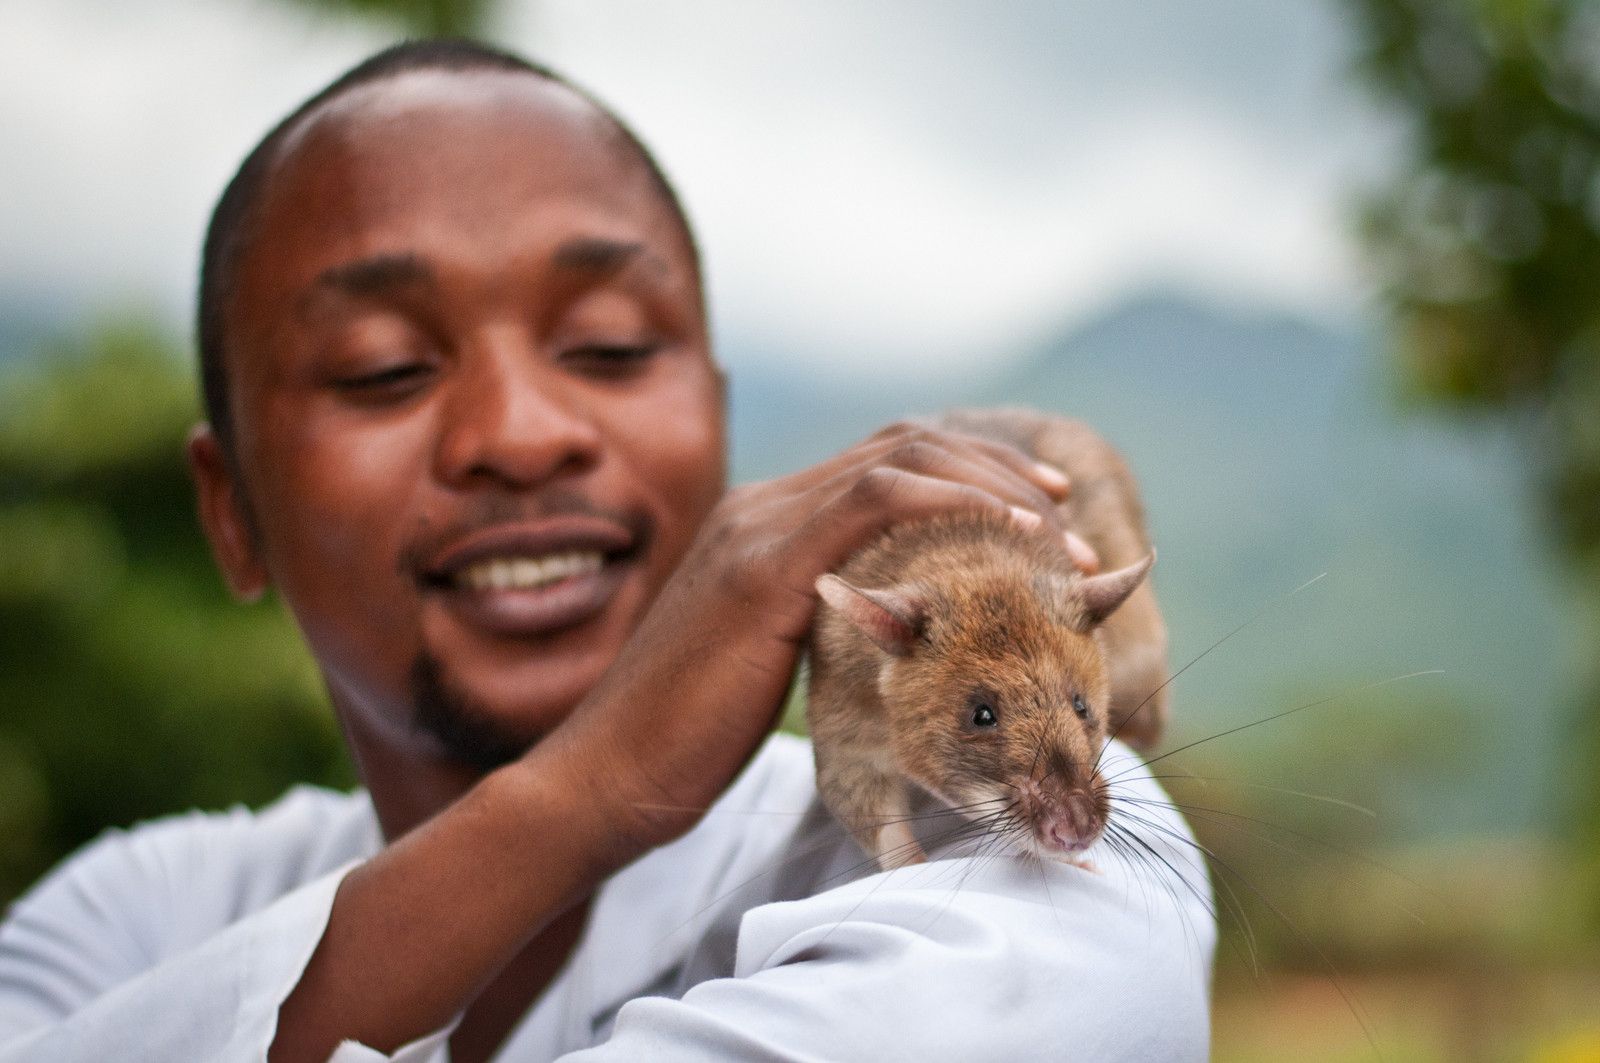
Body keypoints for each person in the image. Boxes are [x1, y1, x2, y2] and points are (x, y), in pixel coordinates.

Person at [0, 40, 1213, 1062]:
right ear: (231, 511)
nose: (522, 437)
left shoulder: (1023, 874)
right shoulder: (129, 912)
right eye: (384, 367)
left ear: (722, 429)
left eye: (613, 346)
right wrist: (583, 795)